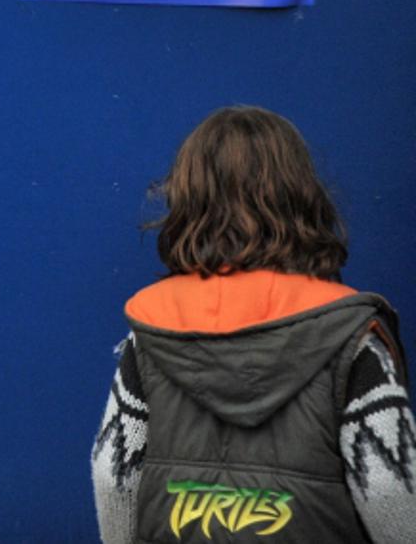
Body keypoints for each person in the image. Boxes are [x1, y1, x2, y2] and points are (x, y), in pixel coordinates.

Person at [91, 106, 416, 543]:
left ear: (189, 200)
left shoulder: (152, 331)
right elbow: (386, 482)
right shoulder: (350, 334)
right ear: (301, 198)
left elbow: (113, 472)